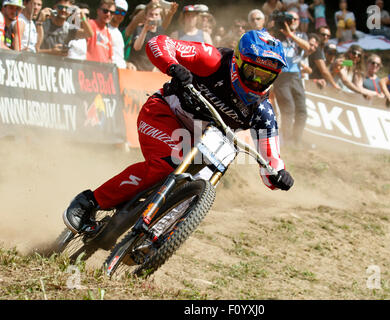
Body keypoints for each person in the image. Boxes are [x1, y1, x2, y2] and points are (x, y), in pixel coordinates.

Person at [63, 30, 295, 233]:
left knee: (197, 189)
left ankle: (157, 237)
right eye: (253, 72)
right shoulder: (213, 60)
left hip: (199, 144)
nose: (257, 82)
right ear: (238, 62)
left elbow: (271, 161)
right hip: (163, 114)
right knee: (168, 163)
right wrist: (172, 66)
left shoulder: (263, 112)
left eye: (266, 77)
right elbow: (158, 43)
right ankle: (88, 202)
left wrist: (279, 175)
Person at [271, 11, 311, 146]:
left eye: (295, 19)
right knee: (288, 109)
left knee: (302, 110)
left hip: (295, 76)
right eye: (290, 19)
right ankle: (286, 142)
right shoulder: (276, 35)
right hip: (281, 77)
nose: (293, 21)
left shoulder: (301, 35)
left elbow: (307, 47)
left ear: (299, 21)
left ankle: (297, 140)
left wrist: (290, 35)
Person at [308, 25, 340, 90]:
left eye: (328, 36)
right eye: (323, 34)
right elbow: (324, 71)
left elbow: (350, 63)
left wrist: (338, 67)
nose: (325, 37)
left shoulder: (324, 49)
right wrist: (334, 85)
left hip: (319, 82)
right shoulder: (316, 48)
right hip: (310, 80)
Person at [109, 0, 128, 69]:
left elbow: (119, 56)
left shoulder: (119, 33)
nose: (119, 15)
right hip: (108, 70)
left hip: (121, 71)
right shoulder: (104, 28)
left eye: (123, 13)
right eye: (117, 11)